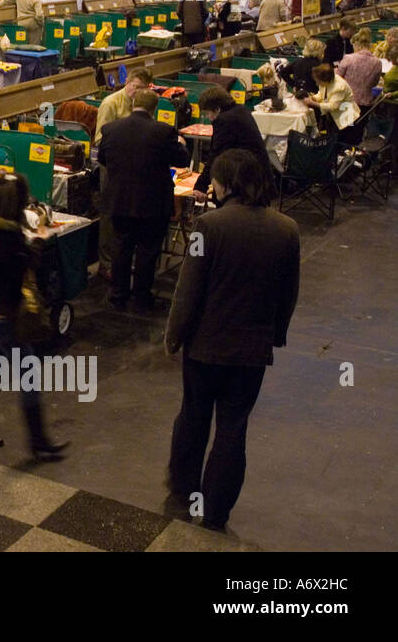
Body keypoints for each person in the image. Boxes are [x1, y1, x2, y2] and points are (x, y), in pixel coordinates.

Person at [165, 149, 299, 532]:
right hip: (251, 352)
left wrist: (173, 338)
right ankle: (216, 512)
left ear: (226, 183)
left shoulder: (207, 226)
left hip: (205, 348)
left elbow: (186, 291)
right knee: (233, 428)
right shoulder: (287, 230)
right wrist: (274, 335)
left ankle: (183, 489)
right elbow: (288, 294)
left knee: (193, 416)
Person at [0, 172, 69, 460]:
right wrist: (33, 249)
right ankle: (39, 441)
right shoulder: (7, 241)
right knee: (29, 374)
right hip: (4, 316)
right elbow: (14, 279)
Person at [98, 90, 190, 312]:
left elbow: (102, 159)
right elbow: (182, 159)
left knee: (121, 248)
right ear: (154, 108)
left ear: (132, 104)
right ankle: (141, 297)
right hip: (153, 203)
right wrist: (181, 143)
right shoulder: (164, 131)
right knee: (148, 251)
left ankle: (118, 295)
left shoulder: (111, 130)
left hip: (119, 200)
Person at [193, 87, 270, 196]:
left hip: (247, 180)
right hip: (260, 176)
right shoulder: (240, 110)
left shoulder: (224, 121)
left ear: (217, 109)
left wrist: (201, 186)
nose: (208, 118)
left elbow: (216, 154)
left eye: (207, 113)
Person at [93, 68, 152, 145]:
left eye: (144, 88)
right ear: (127, 82)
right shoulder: (110, 103)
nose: (139, 92)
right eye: (136, 87)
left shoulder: (145, 102)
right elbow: (100, 140)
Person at [305, 62, 360, 139]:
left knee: (341, 141)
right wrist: (314, 97)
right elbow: (322, 93)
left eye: (318, 81)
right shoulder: (328, 81)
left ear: (325, 79)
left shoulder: (339, 87)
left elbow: (332, 106)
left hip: (345, 117)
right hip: (332, 116)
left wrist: (313, 103)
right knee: (330, 138)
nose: (317, 84)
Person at [336, 28, 382, 108]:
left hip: (347, 101)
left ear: (356, 44)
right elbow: (375, 82)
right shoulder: (377, 62)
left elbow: (337, 79)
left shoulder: (348, 58)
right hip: (365, 103)